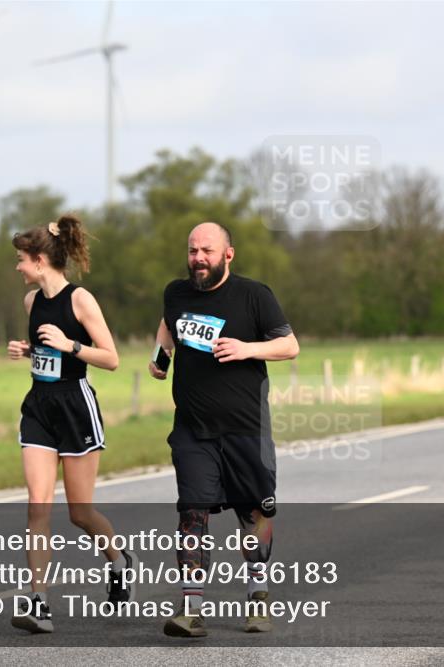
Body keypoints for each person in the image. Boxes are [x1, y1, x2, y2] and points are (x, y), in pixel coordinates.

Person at [149, 222, 299, 638]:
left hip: (245, 427)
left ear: (227, 254)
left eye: (207, 251)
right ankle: (191, 609)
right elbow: (169, 323)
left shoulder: (255, 295)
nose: (198, 258)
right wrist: (160, 357)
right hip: (194, 429)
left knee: (254, 513)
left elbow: (289, 345)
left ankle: (257, 595)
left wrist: (247, 348)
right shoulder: (176, 292)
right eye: (193, 250)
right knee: (191, 512)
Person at [6, 214, 135, 634]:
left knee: (80, 513)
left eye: (21, 259)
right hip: (39, 408)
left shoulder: (80, 300)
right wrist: (27, 351)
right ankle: (39, 602)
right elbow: (46, 356)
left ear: (40, 260)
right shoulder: (30, 303)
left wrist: (71, 344)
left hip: (76, 408)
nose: (18, 267)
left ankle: (119, 561)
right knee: (36, 507)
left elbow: (111, 358)